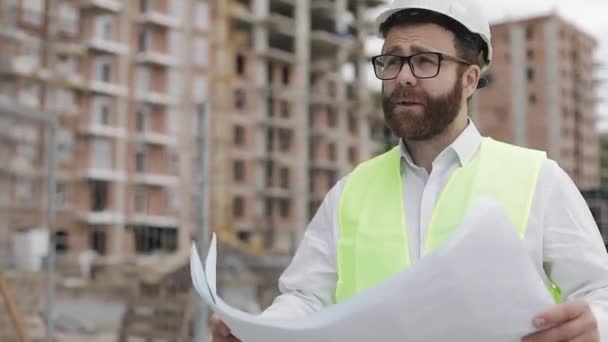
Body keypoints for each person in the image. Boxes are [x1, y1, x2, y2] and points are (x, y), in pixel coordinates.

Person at [211, 0, 608, 341]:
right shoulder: (351, 191)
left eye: (423, 61)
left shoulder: (538, 179)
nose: (402, 76)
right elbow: (306, 298)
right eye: (392, 61)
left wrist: (595, 325)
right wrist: (259, 331)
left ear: (469, 79)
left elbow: (599, 291)